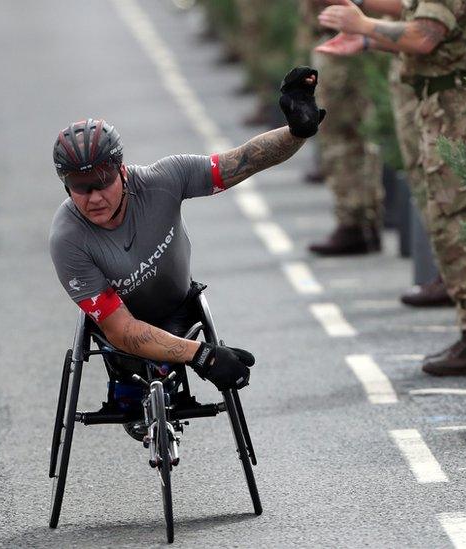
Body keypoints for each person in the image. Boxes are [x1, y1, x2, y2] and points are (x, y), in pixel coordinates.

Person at [49, 67, 324, 437]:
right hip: (121, 333)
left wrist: (297, 133)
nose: (94, 197)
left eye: (102, 182)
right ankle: (130, 388)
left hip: (181, 309)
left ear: (122, 170)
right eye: (81, 187)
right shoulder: (67, 238)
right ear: (66, 187)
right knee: (127, 353)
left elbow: (241, 161)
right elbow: (120, 329)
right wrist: (203, 355)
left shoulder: (165, 179)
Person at [315, 0, 466, 376]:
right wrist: (368, 41)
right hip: (445, 99)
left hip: (459, 104)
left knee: (460, 214)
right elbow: (416, 17)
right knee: (448, 213)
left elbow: (423, 36)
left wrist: (364, 24)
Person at [304, 0, 383, 256]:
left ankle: (354, 222)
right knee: (352, 136)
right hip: (348, 42)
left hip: (346, 47)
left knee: (341, 136)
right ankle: (364, 221)